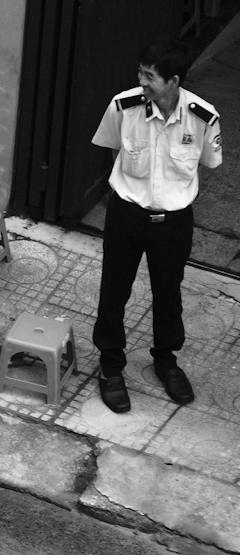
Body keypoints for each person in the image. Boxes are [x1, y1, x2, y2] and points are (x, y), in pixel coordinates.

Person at [90, 38, 220, 413]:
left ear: (173, 80)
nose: (141, 82)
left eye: (149, 77)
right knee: (114, 290)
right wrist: (130, 192)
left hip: (174, 220)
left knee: (169, 292)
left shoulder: (203, 117)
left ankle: (166, 360)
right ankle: (111, 365)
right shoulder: (123, 106)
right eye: (141, 73)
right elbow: (113, 149)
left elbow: (208, 164)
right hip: (127, 214)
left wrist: (171, 196)